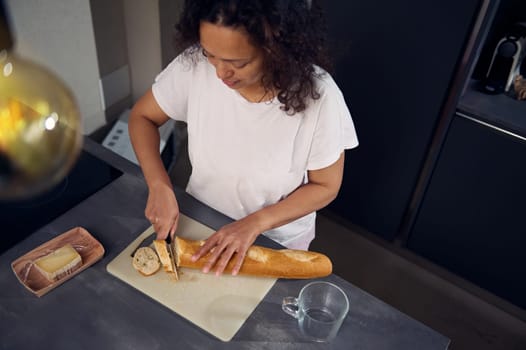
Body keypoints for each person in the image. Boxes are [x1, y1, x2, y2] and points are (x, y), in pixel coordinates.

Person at [128, 0, 358, 276]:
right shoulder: (195, 67)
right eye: (210, 54)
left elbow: (326, 186)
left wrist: (255, 223)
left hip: (274, 241)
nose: (220, 72)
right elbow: (143, 118)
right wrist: (159, 184)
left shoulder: (320, 98)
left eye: (238, 62)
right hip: (201, 222)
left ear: (276, 49)